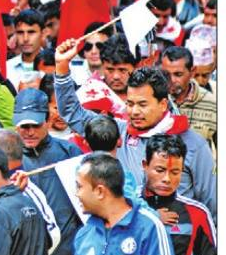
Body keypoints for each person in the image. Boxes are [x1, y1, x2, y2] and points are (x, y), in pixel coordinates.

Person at [55, 40, 217, 222]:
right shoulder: (116, 131)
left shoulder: (193, 144)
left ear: (163, 104)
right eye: (130, 104)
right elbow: (72, 112)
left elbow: (212, 205)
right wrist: (62, 68)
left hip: (178, 242)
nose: (134, 112)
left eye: (142, 104)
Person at [62, 153, 179, 255]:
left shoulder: (148, 227)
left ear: (100, 191)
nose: (77, 193)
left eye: (80, 187)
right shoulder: (85, 234)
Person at [12, 87, 83, 255]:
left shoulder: (69, 153)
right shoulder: (6, 155)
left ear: (47, 120)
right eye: (24, 126)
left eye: (35, 125)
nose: (29, 132)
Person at [141, 135, 217, 255]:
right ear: (145, 165)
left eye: (175, 172)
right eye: (159, 170)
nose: (167, 179)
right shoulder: (125, 206)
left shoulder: (197, 213)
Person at [159, 46, 216, 146]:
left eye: (178, 74)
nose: (172, 80)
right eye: (166, 74)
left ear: (192, 71)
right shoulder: (155, 100)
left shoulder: (213, 104)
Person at [6, 10, 45, 89]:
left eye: (31, 32)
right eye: (20, 32)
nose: (25, 38)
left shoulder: (58, 66)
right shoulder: (6, 68)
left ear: (42, 34)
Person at [69, 22, 113, 86]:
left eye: (99, 46)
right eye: (88, 46)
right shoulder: (72, 72)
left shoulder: (117, 74)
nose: (93, 51)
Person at [98, 33, 139, 101]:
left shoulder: (150, 95)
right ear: (102, 66)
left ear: (136, 68)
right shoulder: (87, 96)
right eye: (110, 70)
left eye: (122, 70)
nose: (116, 76)